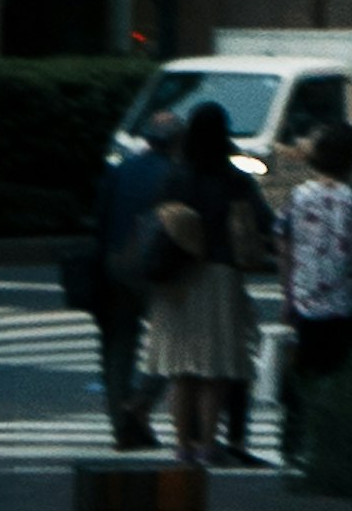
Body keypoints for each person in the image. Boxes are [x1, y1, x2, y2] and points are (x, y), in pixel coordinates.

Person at [140, 100, 272, 469]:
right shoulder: (235, 180)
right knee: (215, 369)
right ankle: (208, 442)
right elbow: (263, 222)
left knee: (181, 369)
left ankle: (182, 443)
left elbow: (155, 220)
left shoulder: (174, 177)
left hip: (178, 279)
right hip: (220, 276)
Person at [274, 122, 352, 481]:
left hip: (307, 298)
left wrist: (288, 293)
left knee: (305, 369)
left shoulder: (298, 197)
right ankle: (336, 444)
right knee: (345, 372)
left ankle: (293, 439)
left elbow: (285, 246)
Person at [82, 95, 183, 448]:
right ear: (175, 142)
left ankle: (121, 424)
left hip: (115, 263)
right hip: (154, 268)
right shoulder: (173, 175)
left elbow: (100, 220)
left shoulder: (121, 170)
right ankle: (139, 404)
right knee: (171, 340)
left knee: (118, 345)